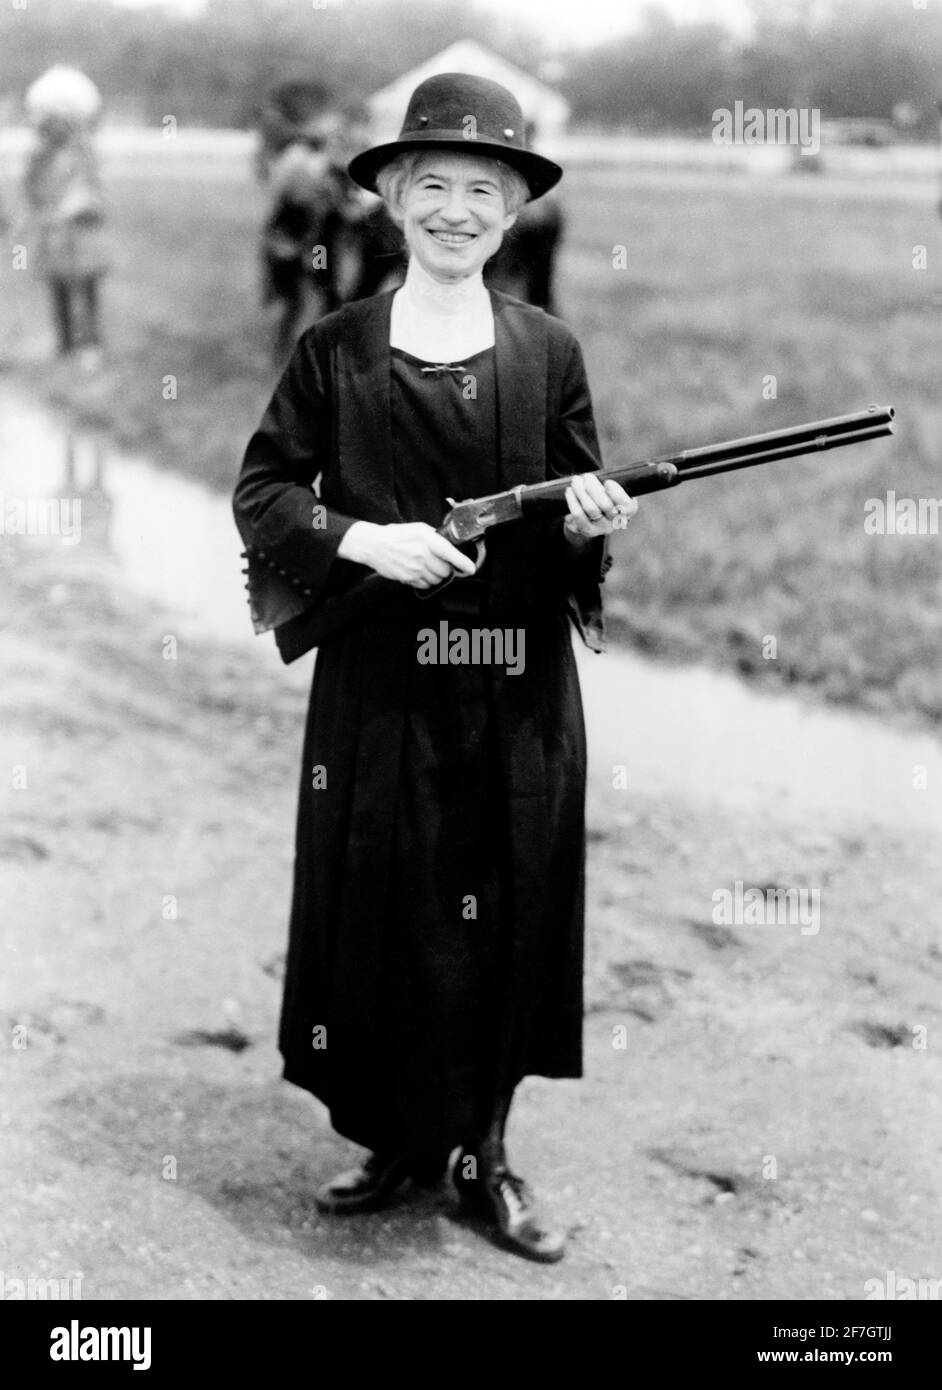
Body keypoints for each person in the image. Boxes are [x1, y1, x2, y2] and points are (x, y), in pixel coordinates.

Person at [232, 72, 637, 1264]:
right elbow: (264, 494)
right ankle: (398, 1140)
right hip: (375, 688)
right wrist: (361, 538)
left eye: (483, 190)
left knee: (501, 917)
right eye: (433, 187)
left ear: (514, 214)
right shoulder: (336, 349)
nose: (456, 209)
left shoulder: (549, 349)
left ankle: (482, 1159)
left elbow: (576, 506)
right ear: (394, 202)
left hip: (511, 694)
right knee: (380, 916)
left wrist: (589, 521)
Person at [21, 66, 109, 369]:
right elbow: (32, 192)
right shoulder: (38, 158)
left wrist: (80, 204)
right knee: (58, 287)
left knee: (86, 287)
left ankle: (91, 344)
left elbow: (95, 192)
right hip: (54, 233)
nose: (56, 129)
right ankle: (65, 343)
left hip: (82, 231)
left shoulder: (84, 154)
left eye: (62, 122)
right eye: (51, 123)